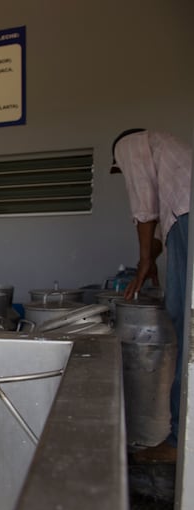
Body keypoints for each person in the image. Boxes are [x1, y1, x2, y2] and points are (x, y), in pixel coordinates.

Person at [112, 129, 192, 463]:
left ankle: (177, 442)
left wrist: (145, 260)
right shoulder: (167, 150)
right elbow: (160, 229)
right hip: (184, 217)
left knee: (184, 319)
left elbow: (143, 208)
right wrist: (150, 259)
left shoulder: (130, 145)